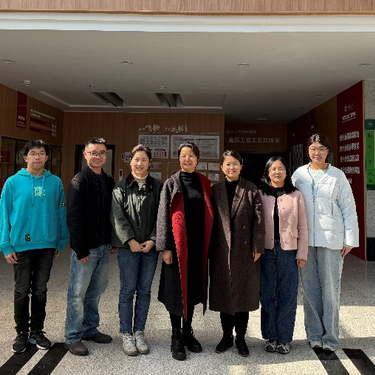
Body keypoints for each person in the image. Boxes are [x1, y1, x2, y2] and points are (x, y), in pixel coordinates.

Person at [0, 139, 69, 354]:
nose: (37, 157)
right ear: (25, 157)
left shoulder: (55, 182)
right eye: (33, 153)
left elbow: (61, 213)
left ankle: (37, 331)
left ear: (47, 157)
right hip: (20, 245)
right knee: (21, 290)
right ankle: (21, 333)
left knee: (40, 289)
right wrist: (5, 246)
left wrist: (60, 240)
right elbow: (3, 214)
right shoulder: (13, 182)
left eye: (41, 153)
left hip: (46, 244)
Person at [292, 133, 358, 353]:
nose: (316, 152)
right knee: (309, 289)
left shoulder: (337, 176)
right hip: (306, 241)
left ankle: (330, 337)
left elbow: (348, 208)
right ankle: (313, 335)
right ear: (307, 151)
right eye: (313, 148)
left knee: (330, 290)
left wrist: (349, 239)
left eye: (321, 148)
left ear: (328, 151)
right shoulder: (299, 175)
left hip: (331, 240)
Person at [156, 142, 214, 361]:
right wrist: (165, 247)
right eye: (183, 156)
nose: (187, 159)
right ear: (178, 159)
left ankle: (188, 331)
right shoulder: (171, 183)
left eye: (191, 156)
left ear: (197, 159)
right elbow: (163, 216)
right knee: (175, 292)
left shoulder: (204, 183)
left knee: (192, 290)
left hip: (197, 248)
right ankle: (176, 336)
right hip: (177, 248)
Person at [209, 150, 264, 357]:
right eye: (227, 164)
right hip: (221, 250)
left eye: (235, 164)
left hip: (244, 251)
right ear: (222, 167)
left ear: (241, 166)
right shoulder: (216, 190)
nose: (231, 167)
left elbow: (259, 221)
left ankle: (241, 337)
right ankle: (226, 336)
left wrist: (258, 246)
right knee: (224, 295)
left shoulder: (251, 189)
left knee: (242, 295)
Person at [64, 137, 116, 356]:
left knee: (96, 291)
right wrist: (80, 248)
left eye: (102, 152)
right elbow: (72, 217)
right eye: (93, 152)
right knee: (77, 293)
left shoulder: (108, 180)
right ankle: (73, 336)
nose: (98, 156)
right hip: (86, 249)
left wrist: (113, 240)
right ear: (85, 155)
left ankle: (90, 329)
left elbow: (112, 214)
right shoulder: (79, 181)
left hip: (103, 246)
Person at [110, 144, 161, 356]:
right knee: (127, 290)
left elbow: (162, 216)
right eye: (136, 159)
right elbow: (117, 217)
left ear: (150, 163)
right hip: (127, 249)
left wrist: (153, 239)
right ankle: (126, 333)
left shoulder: (158, 187)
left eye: (144, 160)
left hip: (150, 249)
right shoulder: (120, 187)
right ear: (130, 161)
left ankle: (139, 331)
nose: (139, 163)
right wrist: (129, 240)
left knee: (145, 290)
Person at [259, 156, 307, 355]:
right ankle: (270, 336)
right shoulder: (261, 194)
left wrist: (302, 252)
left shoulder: (296, 195)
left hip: (289, 251)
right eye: (273, 169)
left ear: (287, 172)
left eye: (281, 168)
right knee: (267, 294)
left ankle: (285, 338)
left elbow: (303, 226)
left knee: (288, 295)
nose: (277, 172)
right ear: (267, 172)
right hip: (266, 250)